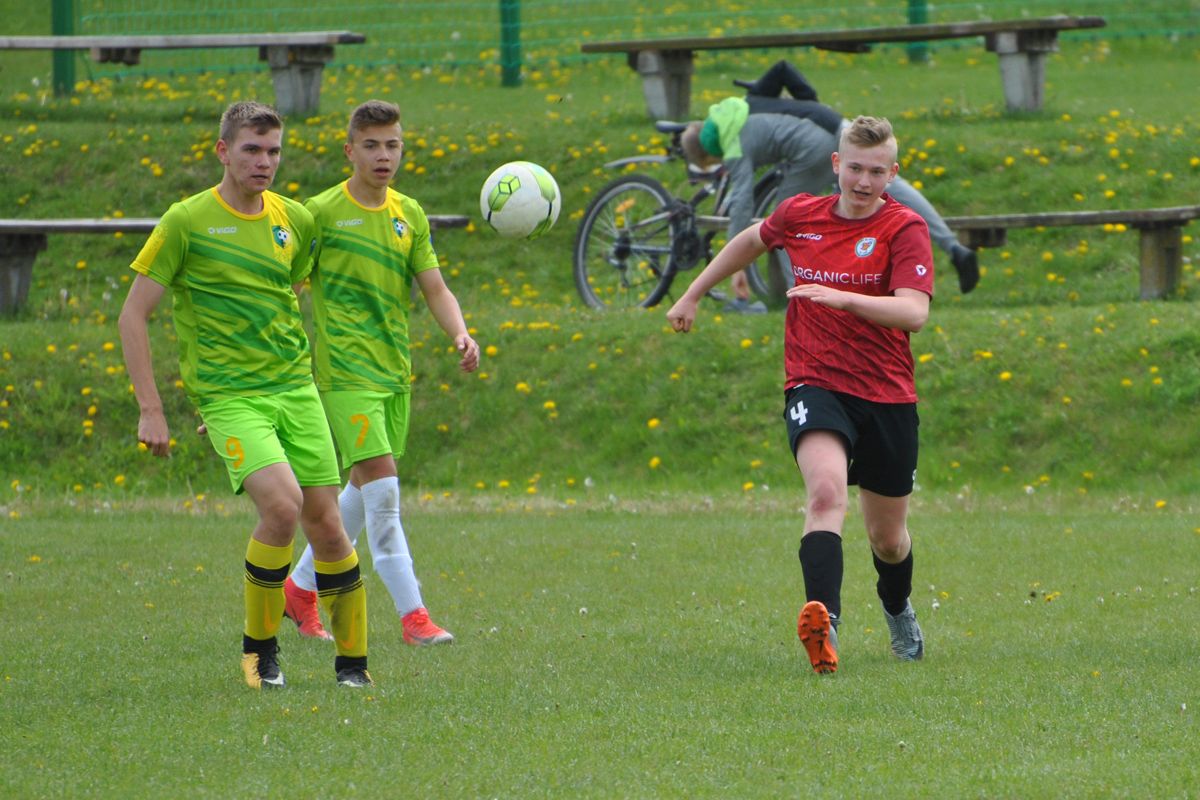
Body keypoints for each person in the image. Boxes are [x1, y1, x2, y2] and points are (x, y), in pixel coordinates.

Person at [118, 100, 373, 689]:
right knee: (282, 507)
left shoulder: (294, 221)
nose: (265, 162)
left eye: (273, 151)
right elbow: (133, 316)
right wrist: (153, 409)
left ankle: (354, 666)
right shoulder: (186, 221)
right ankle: (259, 656)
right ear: (223, 151)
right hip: (232, 398)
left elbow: (287, 290)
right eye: (252, 149)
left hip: (296, 390)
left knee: (327, 524)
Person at [667, 115, 929, 674]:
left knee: (888, 540)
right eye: (854, 168)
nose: (863, 181)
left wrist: (842, 298)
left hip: (886, 392)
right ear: (836, 164)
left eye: (876, 172)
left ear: (892, 174)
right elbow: (750, 240)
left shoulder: (903, 228)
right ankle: (824, 626)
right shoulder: (800, 214)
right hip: (816, 381)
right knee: (826, 493)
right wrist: (693, 293)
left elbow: (914, 312)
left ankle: (897, 606)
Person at [280, 100, 480, 647]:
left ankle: (299, 589)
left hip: (393, 373)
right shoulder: (320, 213)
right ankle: (414, 617)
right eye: (371, 145)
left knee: (359, 492)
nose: (383, 155)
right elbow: (287, 291)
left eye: (392, 144)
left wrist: (460, 333)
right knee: (384, 492)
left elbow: (434, 287)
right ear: (350, 151)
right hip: (344, 375)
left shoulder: (408, 213)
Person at [680, 60, 979, 304]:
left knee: (787, 217)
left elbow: (742, 200)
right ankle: (953, 247)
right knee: (890, 183)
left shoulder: (731, 143)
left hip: (815, 145)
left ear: (709, 151)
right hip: (833, 122)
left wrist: (739, 269)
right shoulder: (742, 106)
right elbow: (783, 71)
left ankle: (799, 298)